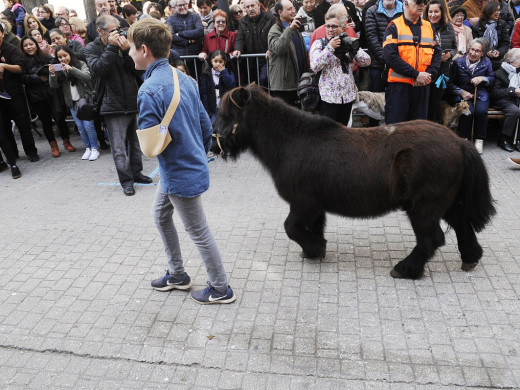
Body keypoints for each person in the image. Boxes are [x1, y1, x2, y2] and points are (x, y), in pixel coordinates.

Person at [127, 18, 236, 304]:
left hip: (178, 173)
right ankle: (177, 274)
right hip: (183, 168)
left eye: (130, 48)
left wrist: (181, 156)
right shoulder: (183, 77)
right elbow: (203, 126)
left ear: (144, 49)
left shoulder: (148, 90)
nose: (128, 53)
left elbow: (150, 146)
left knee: (198, 231)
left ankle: (220, 288)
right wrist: (192, 153)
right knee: (161, 216)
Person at [85, 15, 151, 196]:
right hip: (111, 105)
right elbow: (99, 70)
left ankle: (136, 173)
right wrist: (112, 48)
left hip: (132, 100)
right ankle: (126, 181)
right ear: (100, 31)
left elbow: (139, 70)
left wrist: (127, 53)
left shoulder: (126, 45)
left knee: (136, 143)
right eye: (113, 31)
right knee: (119, 147)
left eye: (119, 30)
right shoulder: (92, 48)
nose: (118, 34)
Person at [382, 0, 441, 124]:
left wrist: (428, 75)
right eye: (418, 1)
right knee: (396, 129)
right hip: (399, 88)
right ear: (406, 3)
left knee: (419, 130)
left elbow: (437, 53)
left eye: (424, 2)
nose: (422, 5)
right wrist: (416, 74)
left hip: (422, 86)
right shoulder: (394, 26)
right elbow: (391, 57)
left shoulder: (429, 27)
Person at [310, 7, 371, 125]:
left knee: (343, 132)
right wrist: (330, 48)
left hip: (347, 96)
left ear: (342, 28)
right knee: (328, 133)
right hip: (328, 97)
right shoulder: (320, 44)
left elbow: (366, 61)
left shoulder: (348, 42)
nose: (330, 29)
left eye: (334, 26)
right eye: (327, 26)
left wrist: (354, 49)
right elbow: (314, 66)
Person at [20, 36, 77, 158]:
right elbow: (22, 78)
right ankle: (53, 146)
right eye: (26, 45)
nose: (29, 47)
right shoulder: (22, 61)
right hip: (36, 96)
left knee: (59, 117)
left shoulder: (46, 56)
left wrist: (48, 73)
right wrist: (39, 78)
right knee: (45, 121)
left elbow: (57, 70)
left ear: (36, 44)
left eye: (31, 44)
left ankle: (66, 141)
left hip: (51, 92)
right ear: (22, 48)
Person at [49, 45, 100, 161]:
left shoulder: (80, 63)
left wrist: (72, 69)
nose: (63, 59)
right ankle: (87, 148)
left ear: (70, 54)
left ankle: (94, 149)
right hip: (72, 103)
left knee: (89, 126)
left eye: (65, 55)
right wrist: (52, 74)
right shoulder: (59, 69)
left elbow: (87, 76)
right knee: (81, 128)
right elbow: (53, 85)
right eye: (59, 57)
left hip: (85, 101)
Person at [0, 23, 39, 162]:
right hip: (0, 97)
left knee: (23, 125)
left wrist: (4, 65)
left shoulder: (11, 49)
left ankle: (31, 152)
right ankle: (13, 154)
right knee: (4, 128)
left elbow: (20, 67)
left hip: (14, 93)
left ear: (2, 33)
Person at [447, 38, 493, 153]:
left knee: (481, 111)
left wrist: (483, 78)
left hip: (480, 94)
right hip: (463, 94)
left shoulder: (486, 62)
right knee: (468, 112)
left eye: (477, 51)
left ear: (482, 53)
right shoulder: (458, 62)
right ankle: (464, 139)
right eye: (472, 49)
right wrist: (461, 92)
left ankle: (479, 139)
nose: (473, 53)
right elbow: (450, 83)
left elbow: (492, 79)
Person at [268, 0, 308, 105]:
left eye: (293, 8)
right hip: (283, 86)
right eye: (289, 9)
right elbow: (278, 49)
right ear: (280, 12)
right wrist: (290, 29)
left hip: (297, 83)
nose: (293, 11)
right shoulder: (275, 30)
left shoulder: (294, 26)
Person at [423, 0, 456, 122]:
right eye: (430, 12)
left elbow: (455, 47)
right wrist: (436, 57)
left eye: (436, 11)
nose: (433, 15)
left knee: (435, 104)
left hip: (443, 73)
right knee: (424, 104)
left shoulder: (449, 27)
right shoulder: (423, 26)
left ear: (442, 12)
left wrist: (450, 55)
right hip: (427, 72)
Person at [233, 0, 276, 86]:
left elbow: (275, 37)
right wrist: (238, 49)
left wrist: (271, 49)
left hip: (267, 59)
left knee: (264, 79)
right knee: (253, 85)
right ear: (244, 8)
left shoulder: (270, 18)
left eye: (252, 6)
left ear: (259, 5)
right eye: (248, 7)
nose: (250, 9)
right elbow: (240, 38)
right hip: (251, 61)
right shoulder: (242, 21)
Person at [364, 0, 403, 93]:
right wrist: (386, 59)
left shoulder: (404, 10)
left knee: (397, 99)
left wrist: (396, 60)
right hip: (378, 65)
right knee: (376, 100)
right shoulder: (372, 11)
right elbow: (371, 37)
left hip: (400, 65)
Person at [491, 48, 520, 152]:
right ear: (511, 62)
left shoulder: (518, 71)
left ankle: (518, 140)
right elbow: (494, 93)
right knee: (515, 111)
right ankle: (504, 139)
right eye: (519, 60)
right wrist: (512, 91)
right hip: (502, 100)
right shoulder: (499, 73)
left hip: (515, 99)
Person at [167, 0, 204, 76]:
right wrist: (188, 41)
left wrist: (181, 34)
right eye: (180, 5)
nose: (183, 7)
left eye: (184, 4)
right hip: (179, 58)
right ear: (175, 7)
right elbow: (171, 36)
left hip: (195, 57)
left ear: (188, 4)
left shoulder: (195, 16)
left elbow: (199, 32)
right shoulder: (171, 19)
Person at [471, 1, 509, 70]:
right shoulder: (478, 26)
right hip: (481, 58)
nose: (499, 12)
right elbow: (475, 44)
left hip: (499, 59)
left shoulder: (502, 24)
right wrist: (486, 52)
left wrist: (499, 52)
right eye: (496, 10)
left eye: (499, 10)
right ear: (489, 11)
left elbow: (505, 43)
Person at [199, 50, 235, 120]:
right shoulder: (206, 74)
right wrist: (206, 111)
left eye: (221, 62)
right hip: (213, 109)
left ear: (225, 62)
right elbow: (204, 94)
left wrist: (224, 72)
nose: (218, 64)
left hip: (225, 108)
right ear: (211, 61)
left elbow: (231, 85)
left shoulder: (228, 72)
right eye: (215, 61)